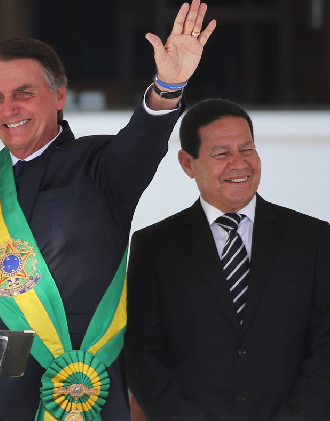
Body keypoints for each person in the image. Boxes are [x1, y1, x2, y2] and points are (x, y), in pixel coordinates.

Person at [0, 0, 216, 421]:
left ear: (59, 96)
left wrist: (168, 86)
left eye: (23, 94)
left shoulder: (102, 166)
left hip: (83, 395)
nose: (8, 109)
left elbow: (142, 139)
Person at [124, 99, 330, 421]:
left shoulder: (314, 238)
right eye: (221, 153)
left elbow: (326, 347)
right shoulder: (155, 246)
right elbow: (141, 354)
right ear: (188, 163)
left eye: (247, 149)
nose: (239, 164)